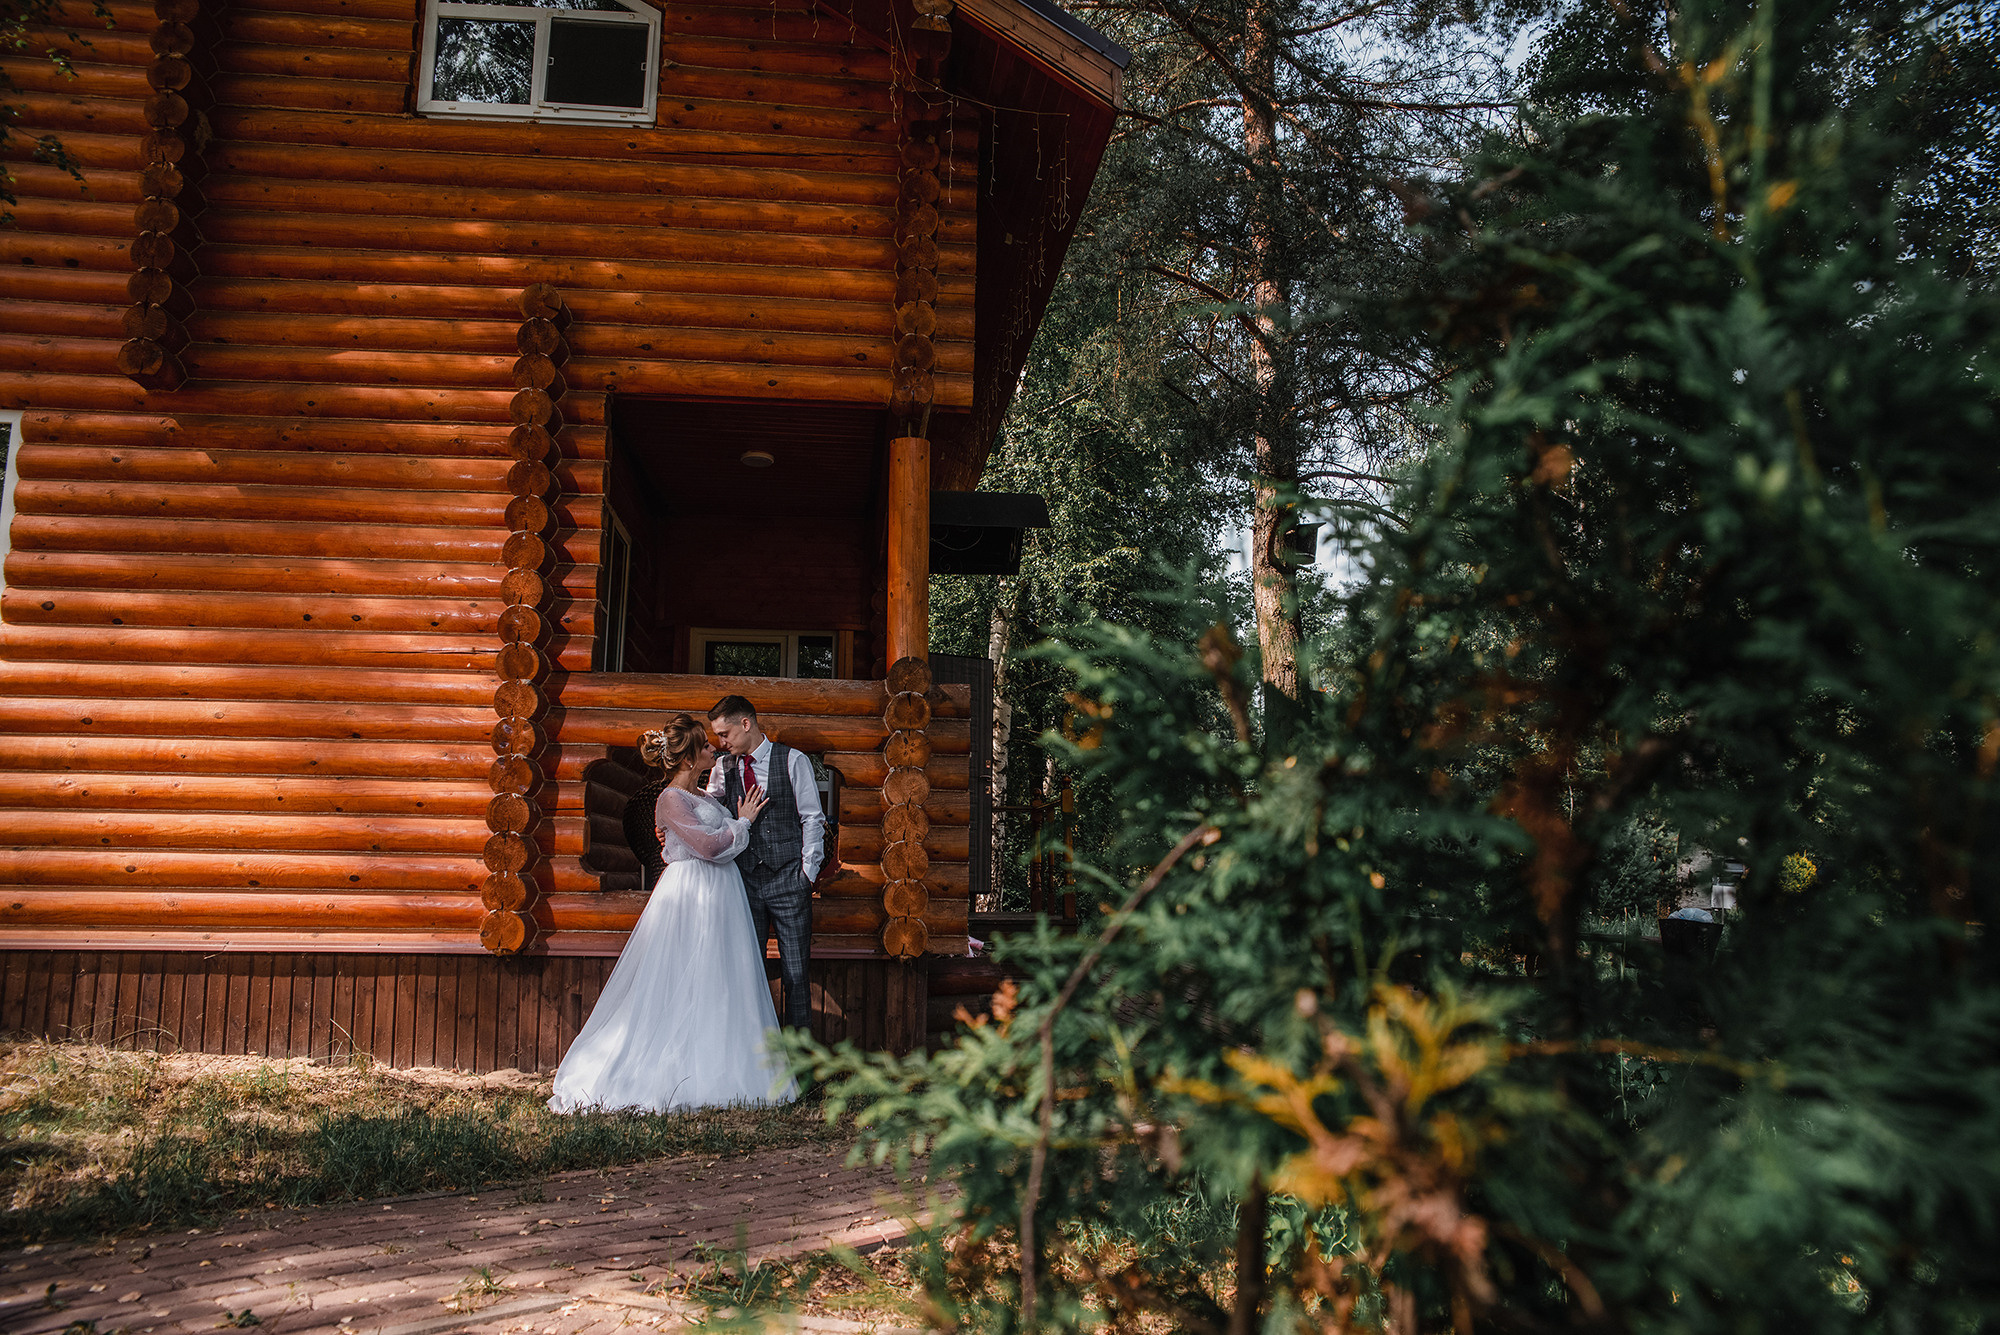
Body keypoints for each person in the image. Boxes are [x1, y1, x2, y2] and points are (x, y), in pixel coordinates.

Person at [548, 714, 797, 1114]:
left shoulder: (704, 797)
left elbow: (721, 842)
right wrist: (745, 823)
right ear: (687, 760)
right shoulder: (670, 799)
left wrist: (735, 825)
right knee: (683, 974)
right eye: (704, 746)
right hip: (691, 893)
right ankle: (669, 1071)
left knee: (719, 977)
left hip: (721, 894)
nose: (712, 749)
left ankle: (723, 1066)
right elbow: (711, 847)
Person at [706, 694, 825, 1029]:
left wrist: (807, 873)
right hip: (743, 882)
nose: (721, 742)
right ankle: (755, 1063)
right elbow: (710, 816)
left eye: (724, 733)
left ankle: (800, 1068)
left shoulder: (792, 760)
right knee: (746, 973)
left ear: (746, 724)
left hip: (790, 880)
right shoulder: (721, 768)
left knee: (796, 974)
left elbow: (812, 819)